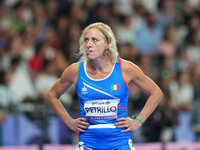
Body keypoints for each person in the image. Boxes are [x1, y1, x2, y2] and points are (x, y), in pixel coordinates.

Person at [46, 22, 163, 150]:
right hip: (88, 143)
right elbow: (52, 95)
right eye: (86, 40)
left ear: (107, 43)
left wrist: (138, 120)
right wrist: (69, 122)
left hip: (120, 143)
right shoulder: (75, 71)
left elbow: (156, 93)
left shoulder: (126, 69)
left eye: (94, 40)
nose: (88, 44)